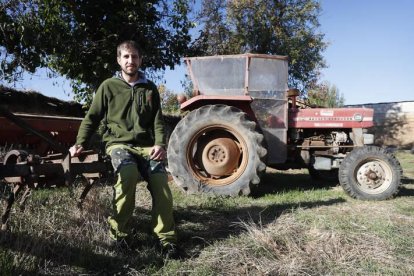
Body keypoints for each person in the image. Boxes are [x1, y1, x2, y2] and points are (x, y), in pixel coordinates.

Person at [69, 40, 178, 257]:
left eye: (135, 56)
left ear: (140, 60)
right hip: (118, 144)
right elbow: (92, 118)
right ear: (119, 60)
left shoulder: (150, 88)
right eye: (126, 57)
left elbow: (157, 121)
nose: (131, 61)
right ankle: (120, 236)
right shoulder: (108, 86)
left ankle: (166, 240)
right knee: (127, 174)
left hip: (147, 147)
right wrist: (80, 143)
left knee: (160, 182)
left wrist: (160, 144)